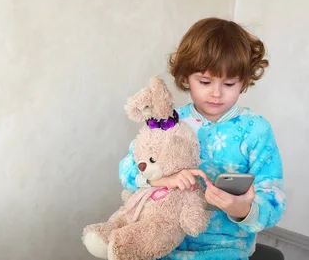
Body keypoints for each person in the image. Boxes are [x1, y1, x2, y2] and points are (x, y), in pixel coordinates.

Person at [119, 17, 286, 260]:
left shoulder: (256, 131)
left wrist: (242, 209)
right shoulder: (169, 122)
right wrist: (163, 179)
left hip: (226, 247)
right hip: (162, 237)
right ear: (186, 78)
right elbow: (127, 170)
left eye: (229, 83)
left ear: (244, 82)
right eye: (205, 82)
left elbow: (273, 196)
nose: (216, 93)